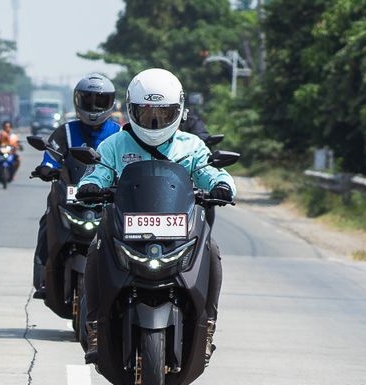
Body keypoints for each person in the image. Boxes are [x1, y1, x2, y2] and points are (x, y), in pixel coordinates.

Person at [75, 68, 235, 363]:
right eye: (146, 111)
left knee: (211, 250)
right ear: (131, 110)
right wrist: (90, 186)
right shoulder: (114, 145)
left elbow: (208, 171)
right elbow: (97, 171)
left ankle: (208, 324)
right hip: (125, 228)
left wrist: (222, 185)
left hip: (179, 231)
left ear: (179, 110)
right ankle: (95, 324)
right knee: (96, 248)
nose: (154, 121)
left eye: (163, 112)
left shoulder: (192, 146)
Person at [30, 73, 122, 298]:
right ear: (77, 100)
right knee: (46, 223)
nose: (93, 106)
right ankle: (43, 274)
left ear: (110, 103)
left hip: (106, 198)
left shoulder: (120, 133)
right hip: (69, 196)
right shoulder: (66, 131)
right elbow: (52, 154)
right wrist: (46, 167)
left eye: (99, 101)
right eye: (87, 100)